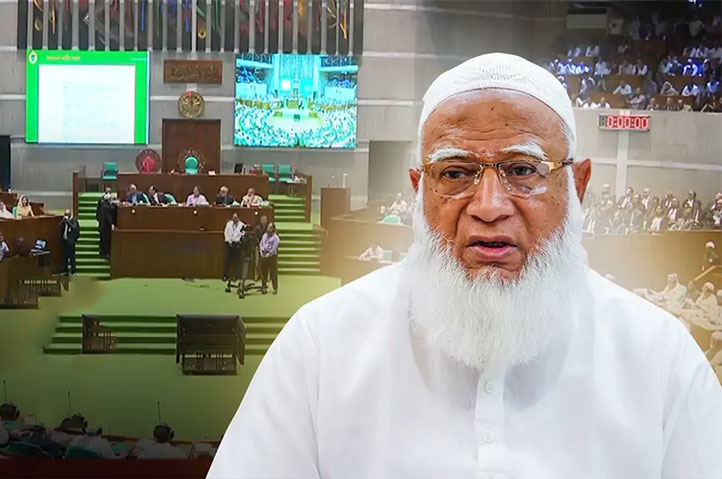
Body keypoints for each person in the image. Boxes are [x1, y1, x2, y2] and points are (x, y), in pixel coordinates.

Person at [208, 53, 721, 478]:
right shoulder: (322, 347)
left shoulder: (661, 361)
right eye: (455, 173)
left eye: (523, 169)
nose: (489, 206)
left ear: (576, 186)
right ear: (419, 190)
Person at [223, 213, 245, 282]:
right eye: (233, 217)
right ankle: (225, 275)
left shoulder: (242, 225)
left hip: (237, 245)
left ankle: (234, 276)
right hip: (229, 244)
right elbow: (226, 232)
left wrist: (237, 241)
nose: (234, 218)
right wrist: (228, 240)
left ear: (238, 218)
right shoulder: (228, 224)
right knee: (227, 260)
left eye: (236, 217)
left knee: (236, 261)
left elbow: (242, 235)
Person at [97, 188, 117, 259]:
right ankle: (104, 253)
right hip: (105, 226)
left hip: (103, 226)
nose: (111, 200)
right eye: (110, 199)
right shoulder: (105, 207)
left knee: (104, 240)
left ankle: (103, 253)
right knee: (105, 240)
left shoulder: (104, 205)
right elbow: (108, 216)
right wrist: (111, 224)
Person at [259, 223, 279, 295]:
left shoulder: (276, 238)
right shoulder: (264, 236)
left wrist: (268, 254)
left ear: (273, 229)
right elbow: (261, 244)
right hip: (263, 255)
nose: (268, 229)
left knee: (273, 273)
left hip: (271, 257)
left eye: (270, 228)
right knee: (264, 272)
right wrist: (261, 252)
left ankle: (275, 288)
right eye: (268, 227)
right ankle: (264, 287)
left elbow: (274, 248)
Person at [59, 209, 80, 275]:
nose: (66, 216)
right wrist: (63, 221)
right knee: (65, 257)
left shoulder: (74, 220)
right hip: (65, 241)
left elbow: (74, 227)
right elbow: (59, 225)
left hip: (71, 242)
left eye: (67, 214)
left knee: (72, 257)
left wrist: (68, 221)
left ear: (70, 215)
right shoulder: (64, 220)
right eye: (65, 214)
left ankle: (73, 271)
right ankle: (65, 271)